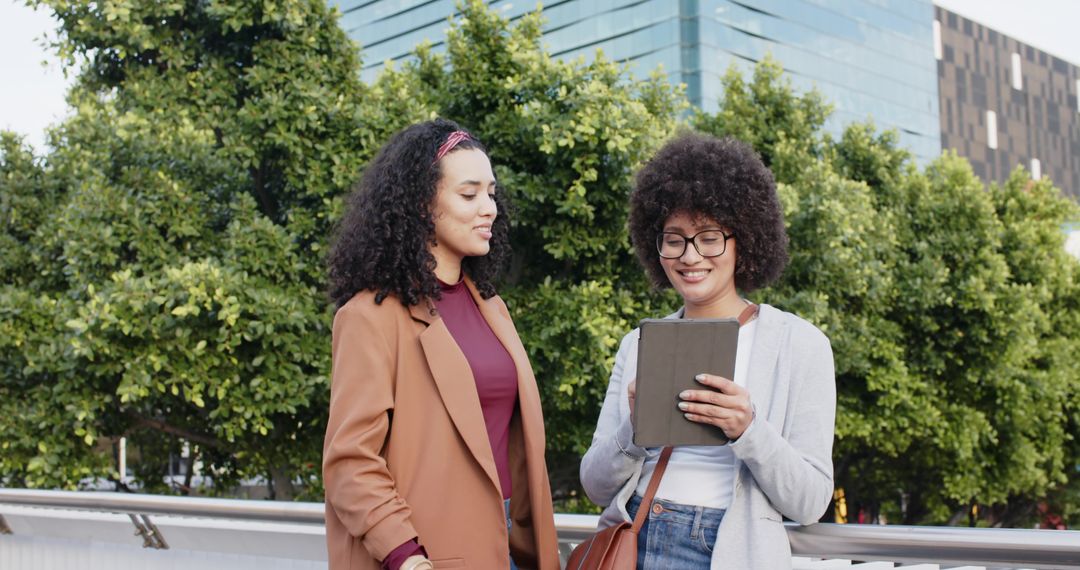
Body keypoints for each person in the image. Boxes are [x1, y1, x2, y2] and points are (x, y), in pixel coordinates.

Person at [579, 132, 836, 569]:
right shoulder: (637, 343)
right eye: (674, 238)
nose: (690, 255)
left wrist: (748, 429)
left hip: (726, 551)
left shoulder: (800, 344)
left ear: (744, 241)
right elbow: (596, 485)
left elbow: (810, 501)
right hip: (635, 538)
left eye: (709, 237)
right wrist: (635, 431)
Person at [323, 119, 559, 570]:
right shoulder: (368, 317)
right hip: (427, 552)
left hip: (509, 546)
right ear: (421, 205)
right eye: (469, 194)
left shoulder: (492, 307)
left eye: (491, 192)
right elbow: (350, 462)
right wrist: (405, 554)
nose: (488, 207)